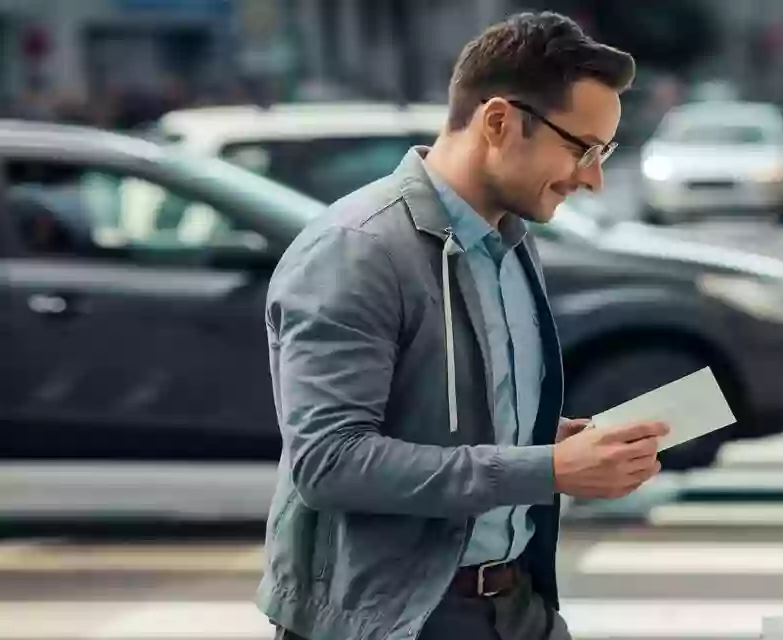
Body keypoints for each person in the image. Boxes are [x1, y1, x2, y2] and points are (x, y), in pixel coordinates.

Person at [258, 12, 669, 640]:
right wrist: (548, 470)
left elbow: (451, 419)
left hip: (513, 606)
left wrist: (551, 442)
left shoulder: (507, 240)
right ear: (499, 122)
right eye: (581, 148)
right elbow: (328, 462)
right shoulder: (358, 249)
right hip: (396, 619)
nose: (593, 177)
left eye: (604, 152)